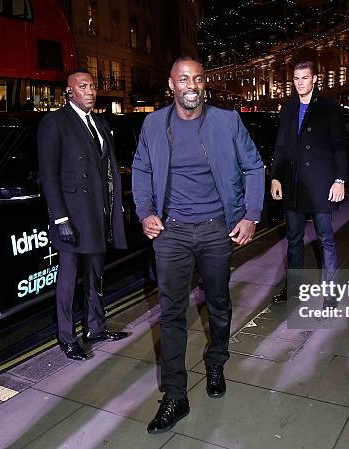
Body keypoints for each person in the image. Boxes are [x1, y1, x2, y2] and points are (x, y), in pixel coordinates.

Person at [131, 56, 264, 434]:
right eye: (184, 79)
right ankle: (175, 394)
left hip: (216, 230)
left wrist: (250, 215)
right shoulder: (154, 123)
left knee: (218, 302)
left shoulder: (227, 121)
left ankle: (216, 362)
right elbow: (141, 169)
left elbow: (254, 167)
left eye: (198, 79)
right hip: (170, 232)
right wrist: (145, 212)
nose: (192, 85)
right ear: (171, 85)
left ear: (205, 84)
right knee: (170, 312)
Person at [37, 68, 129, 361]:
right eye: (83, 86)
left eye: (92, 86)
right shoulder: (55, 122)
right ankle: (66, 336)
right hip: (72, 217)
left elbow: (107, 170)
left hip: (96, 214)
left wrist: (115, 207)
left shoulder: (99, 123)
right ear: (69, 92)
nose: (90, 91)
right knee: (68, 280)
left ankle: (96, 328)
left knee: (95, 275)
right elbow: (48, 175)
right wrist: (60, 218)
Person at [270, 60, 347, 304]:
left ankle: (331, 292)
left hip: (321, 184)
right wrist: (275, 177)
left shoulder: (328, 107)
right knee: (293, 239)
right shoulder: (290, 107)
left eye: (304, 77)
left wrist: (340, 179)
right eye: (296, 78)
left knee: (326, 238)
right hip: (294, 185)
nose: (300, 82)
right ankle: (293, 287)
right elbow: (281, 145)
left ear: (315, 78)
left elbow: (339, 146)